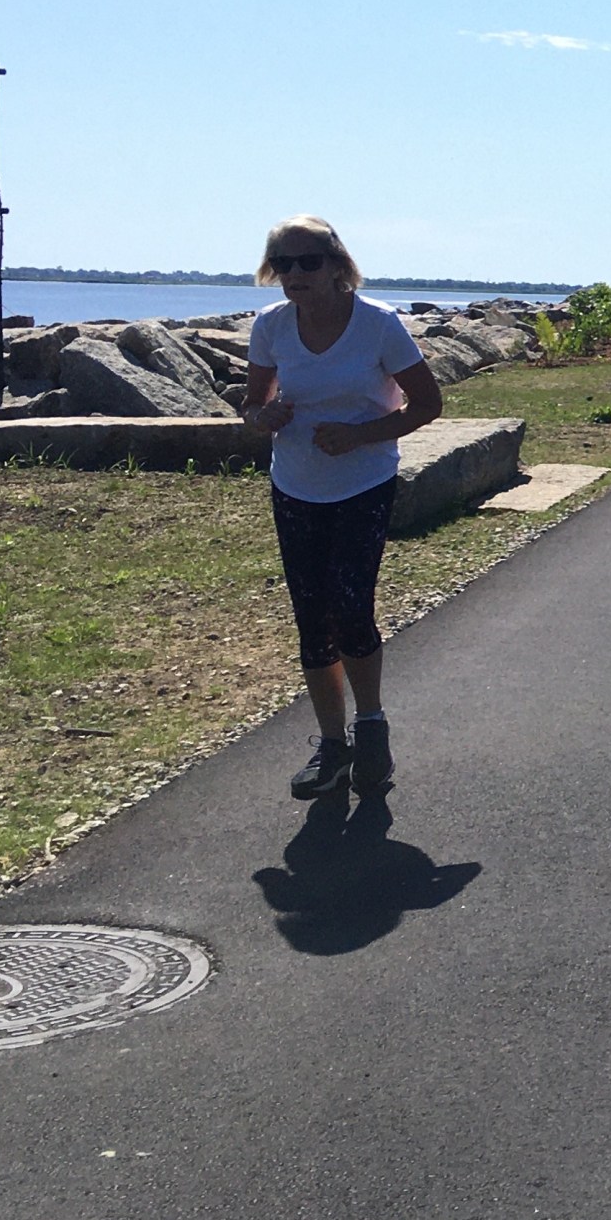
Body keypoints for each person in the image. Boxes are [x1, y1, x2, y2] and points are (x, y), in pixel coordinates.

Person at [239, 216, 444, 801]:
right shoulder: (271, 326)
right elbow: (253, 403)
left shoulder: (377, 324)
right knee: (311, 617)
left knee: (351, 608)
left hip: (362, 481)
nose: (295, 274)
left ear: (336, 265)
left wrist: (361, 435)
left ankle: (371, 723)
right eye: (283, 263)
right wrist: (262, 417)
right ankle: (332, 746)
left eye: (308, 261)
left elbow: (427, 404)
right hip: (295, 484)